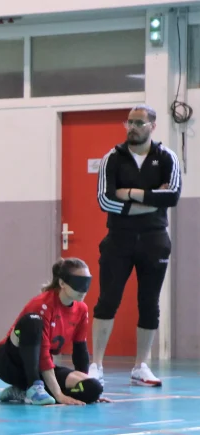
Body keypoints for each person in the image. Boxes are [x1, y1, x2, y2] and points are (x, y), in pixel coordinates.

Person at [91, 105, 181, 387]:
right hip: (118, 239)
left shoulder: (167, 157)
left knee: (149, 303)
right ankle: (97, 364)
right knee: (108, 300)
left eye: (138, 123)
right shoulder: (112, 159)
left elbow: (173, 197)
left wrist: (130, 194)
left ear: (152, 126)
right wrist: (152, 200)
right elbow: (105, 201)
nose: (132, 127)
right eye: (129, 122)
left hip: (155, 240)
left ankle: (141, 366)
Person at [0, 258, 110, 406]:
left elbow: (80, 350)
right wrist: (58, 394)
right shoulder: (43, 305)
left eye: (87, 283)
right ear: (62, 283)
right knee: (32, 321)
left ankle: (22, 390)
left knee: (94, 388)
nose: (83, 289)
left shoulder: (81, 309)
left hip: (38, 366)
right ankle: (34, 387)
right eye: (79, 283)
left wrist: (85, 384)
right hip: (9, 363)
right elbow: (43, 355)